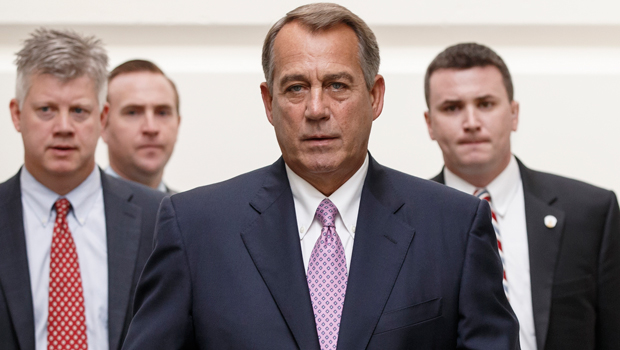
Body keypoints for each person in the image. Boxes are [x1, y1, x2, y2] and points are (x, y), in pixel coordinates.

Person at [122, 4, 519, 349]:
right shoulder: (195, 228)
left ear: (375, 96)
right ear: (269, 102)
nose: (316, 108)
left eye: (337, 85)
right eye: (296, 88)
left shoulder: (454, 226)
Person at [424, 42, 620, 350]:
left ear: (513, 114)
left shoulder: (591, 212)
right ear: (429, 124)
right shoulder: (405, 221)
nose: (471, 122)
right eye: (452, 107)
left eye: (486, 104)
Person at [0, 28, 165, 350]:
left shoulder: (160, 218)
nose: (63, 127)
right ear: (17, 114)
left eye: (79, 111)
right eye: (46, 109)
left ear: (102, 117)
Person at [102, 59, 181, 194]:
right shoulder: (75, 210)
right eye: (132, 112)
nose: (151, 128)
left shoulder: (191, 212)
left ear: (178, 124)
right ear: (103, 124)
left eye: (162, 113)